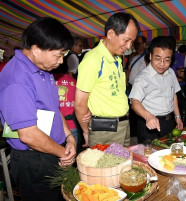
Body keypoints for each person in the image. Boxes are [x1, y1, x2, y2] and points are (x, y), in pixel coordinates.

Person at [0, 17, 76, 201]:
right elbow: (28, 135)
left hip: (53, 151)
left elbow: (53, 108)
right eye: (58, 55)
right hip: (34, 160)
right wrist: (63, 153)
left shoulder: (42, 69)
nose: (60, 62)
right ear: (35, 49)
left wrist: (69, 137)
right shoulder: (17, 78)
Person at [74, 12, 140, 147]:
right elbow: (80, 103)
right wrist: (86, 131)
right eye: (126, 40)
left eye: (132, 42)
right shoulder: (93, 60)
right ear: (110, 34)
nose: (129, 46)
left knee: (124, 166)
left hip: (123, 125)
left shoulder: (117, 58)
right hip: (105, 129)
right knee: (108, 167)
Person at [129, 36, 183, 143]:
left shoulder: (171, 73)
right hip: (149, 124)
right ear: (150, 56)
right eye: (157, 58)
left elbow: (174, 95)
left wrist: (177, 116)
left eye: (167, 60)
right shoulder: (143, 77)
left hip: (169, 122)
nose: (162, 64)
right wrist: (148, 116)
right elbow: (134, 102)